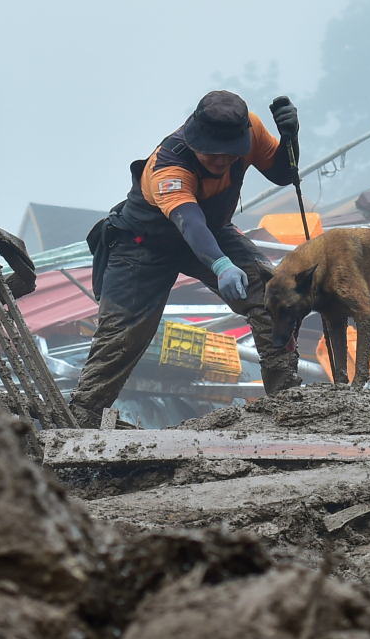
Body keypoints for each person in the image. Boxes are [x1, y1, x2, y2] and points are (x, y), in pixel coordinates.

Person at [69, 90, 303, 427]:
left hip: (213, 229)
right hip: (144, 244)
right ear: (195, 141)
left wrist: (290, 137)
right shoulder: (167, 168)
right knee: (121, 335)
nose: (221, 162)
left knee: (274, 293)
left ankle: (287, 401)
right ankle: (82, 418)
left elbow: (284, 174)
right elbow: (190, 225)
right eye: (212, 155)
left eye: (229, 155)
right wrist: (221, 264)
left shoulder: (249, 129)